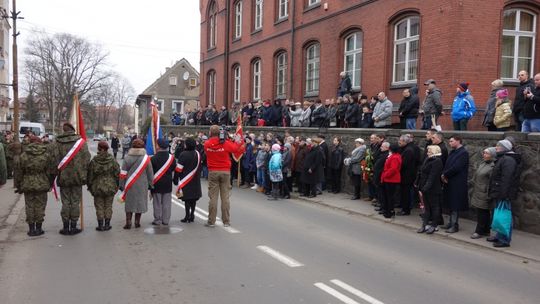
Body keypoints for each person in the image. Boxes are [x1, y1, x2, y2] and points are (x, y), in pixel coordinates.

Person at [52, 123, 91, 235]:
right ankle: (73, 226)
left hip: (63, 176)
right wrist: (84, 173)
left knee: (65, 202)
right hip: (77, 177)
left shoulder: (57, 143)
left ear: (63, 131)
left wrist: (54, 174)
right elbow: (87, 159)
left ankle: (65, 227)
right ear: (73, 130)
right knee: (75, 201)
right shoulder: (81, 143)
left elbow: (54, 159)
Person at [203, 125, 245, 227]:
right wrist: (231, 139)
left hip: (213, 171)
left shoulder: (207, 144)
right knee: (225, 197)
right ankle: (226, 221)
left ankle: (211, 221)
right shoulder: (226, 143)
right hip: (225, 171)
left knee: (213, 197)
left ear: (210, 133)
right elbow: (236, 148)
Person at [14, 136, 54, 236]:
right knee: (40, 206)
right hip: (42, 183)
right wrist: (50, 183)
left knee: (29, 206)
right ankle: (39, 228)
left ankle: (31, 229)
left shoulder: (23, 155)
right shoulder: (46, 155)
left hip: (27, 183)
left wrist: (18, 185)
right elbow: (50, 171)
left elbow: (18, 172)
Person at [487, 140, 521, 247]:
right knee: (499, 215)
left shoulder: (508, 160)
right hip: (500, 192)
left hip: (504, 193)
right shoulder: (504, 158)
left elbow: (507, 179)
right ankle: (499, 235)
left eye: (498, 146)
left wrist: (503, 194)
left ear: (504, 148)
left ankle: (505, 240)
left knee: (504, 216)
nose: (496, 148)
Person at [119, 139, 154, 229]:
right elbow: (150, 173)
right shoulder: (146, 158)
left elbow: (123, 173)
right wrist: (151, 184)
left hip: (129, 184)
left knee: (129, 203)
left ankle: (128, 222)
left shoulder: (127, 157)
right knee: (140, 203)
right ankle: (137, 222)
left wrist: (121, 184)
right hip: (142, 185)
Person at [87, 141, 120, 231]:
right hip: (110, 186)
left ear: (98, 148)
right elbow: (117, 174)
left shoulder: (94, 160)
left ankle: (100, 225)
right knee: (108, 206)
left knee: (99, 206)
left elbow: (90, 175)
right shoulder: (112, 160)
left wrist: (90, 186)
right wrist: (117, 185)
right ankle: (107, 224)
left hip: (97, 187)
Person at [441, 135, 469, 233]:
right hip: (449, 181)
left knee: (455, 204)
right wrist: (444, 175)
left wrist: (445, 175)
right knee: (450, 203)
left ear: (458, 141)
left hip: (457, 182)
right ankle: (450, 222)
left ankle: (454, 225)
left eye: (452, 141)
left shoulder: (463, 153)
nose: (450, 143)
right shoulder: (452, 152)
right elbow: (447, 164)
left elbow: (457, 167)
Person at [416, 145, 444, 234]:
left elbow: (433, 176)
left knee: (435, 207)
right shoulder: (428, 159)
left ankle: (434, 225)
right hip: (425, 187)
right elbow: (421, 172)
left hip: (433, 188)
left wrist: (426, 187)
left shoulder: (437, 161)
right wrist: (418, 183)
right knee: (426, 207)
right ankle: (425, 224)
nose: (427, 153)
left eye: (429, 151)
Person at [470, 147, 496, 239]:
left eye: (486, 153)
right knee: (482, 211)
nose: (484, 155)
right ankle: (486, 230)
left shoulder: (493, 166)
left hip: (484, 192)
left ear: (492, 155)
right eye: (484, 153)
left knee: (482, 212)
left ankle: (479, 231)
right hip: (478, 190)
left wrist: (488, 193)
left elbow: (491, 181)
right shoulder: (483, 163)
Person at [150, 138, 177, 226]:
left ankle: (157, 219)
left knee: (157, 203)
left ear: (158, 146)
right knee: (166, 203)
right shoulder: (171, 158)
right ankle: (165, 220)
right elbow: (173, 169)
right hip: (167, 183)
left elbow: (151, 173)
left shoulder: (153, 158)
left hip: (156, 183)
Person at [175, 137, 202, 223]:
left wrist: (175, 178)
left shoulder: (183, 154)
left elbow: (179, 169)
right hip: (195, 178)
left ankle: (187, 216)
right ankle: (192, 215)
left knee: (187, 199)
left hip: (185, 179)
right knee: (193, 199)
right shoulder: (198, 153)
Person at [398, 134, 419, 215]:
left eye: (400, 140)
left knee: (406, 193)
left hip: (407, 176)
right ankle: (404, 208)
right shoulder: (406, 149)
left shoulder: (408, 150)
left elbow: (404, 164)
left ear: (404, 141)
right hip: (406, 175)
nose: (399, 142)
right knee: (404, 193)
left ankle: (405, 210)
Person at [380, 143, 401, 218]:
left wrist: (385, 175)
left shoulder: (395, 157)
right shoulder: (394, 156)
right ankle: (387, 210)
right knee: (387, 196)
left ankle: (390, 212)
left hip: (391, 180)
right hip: (389, 179)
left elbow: (393, 169)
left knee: (390, 197)